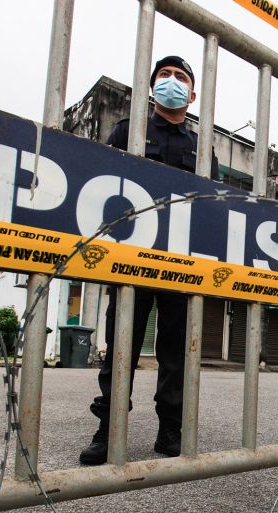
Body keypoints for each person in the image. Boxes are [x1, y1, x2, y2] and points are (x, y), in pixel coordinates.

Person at [80, 55, 219, 465]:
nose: (172, 81)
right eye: (165, 75)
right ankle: (109, 429)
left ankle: (170, 429)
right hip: (130, 258)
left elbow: (211, 205)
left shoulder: (202, 146)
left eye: (181, 78)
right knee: (122, 344)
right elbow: (101, 184)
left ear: (192, 95)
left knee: (176, 352)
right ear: (152, 86)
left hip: (180, 263)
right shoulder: (130, 131)